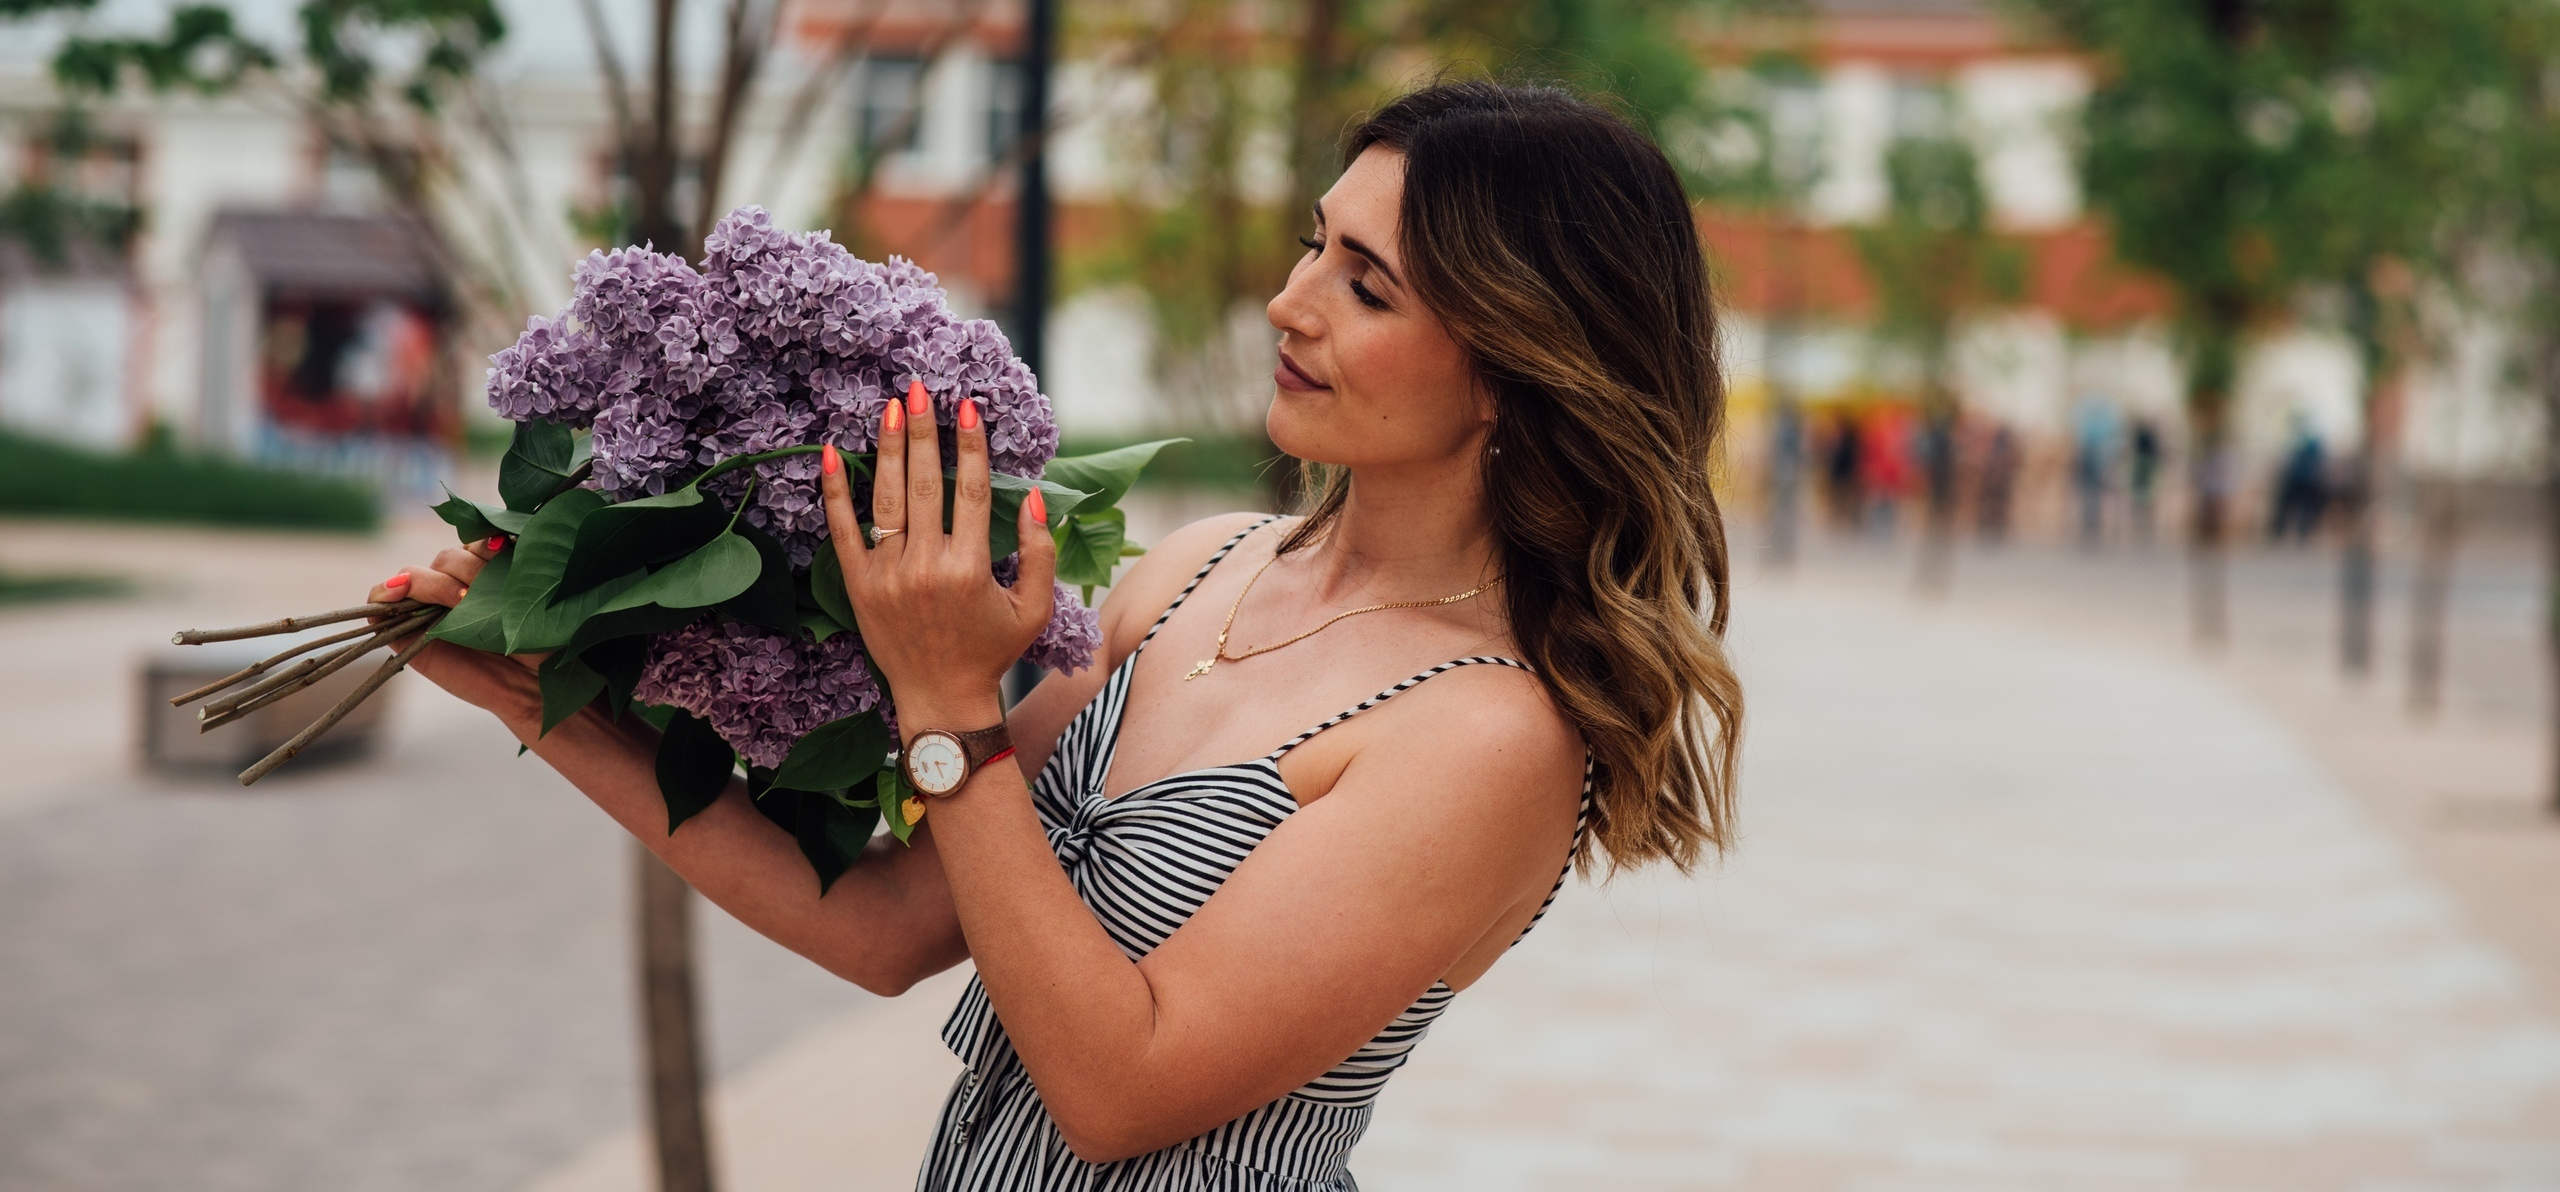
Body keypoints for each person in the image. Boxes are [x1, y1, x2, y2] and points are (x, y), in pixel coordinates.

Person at [378, 81, 1743, 1190]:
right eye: (1315, 242)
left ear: (1515, 366)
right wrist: (539, 701)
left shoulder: (1487, 734)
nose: (1292, 300)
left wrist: (946, 698)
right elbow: (891, 924)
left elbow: (1117, 1090)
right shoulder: (1200, 571)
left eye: (1368, 286)